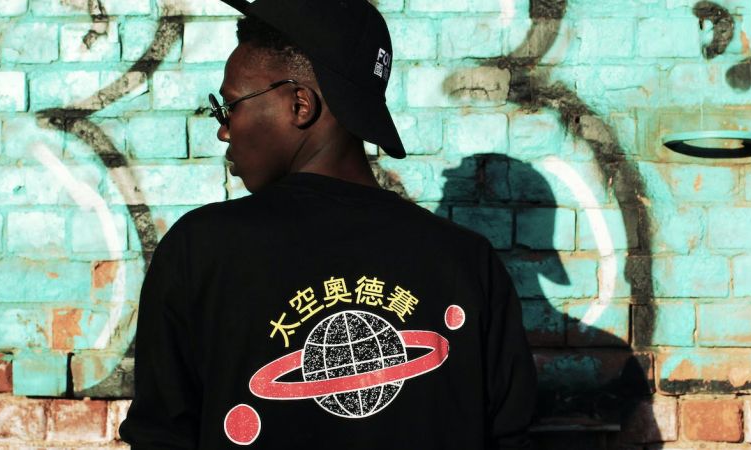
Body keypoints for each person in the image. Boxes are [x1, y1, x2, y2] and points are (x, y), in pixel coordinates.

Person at [116, 0, 536, 448]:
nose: (224, 130)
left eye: (231, 106)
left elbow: (161, 436)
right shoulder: (467, 263)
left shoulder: (199, 250)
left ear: (300, 104)